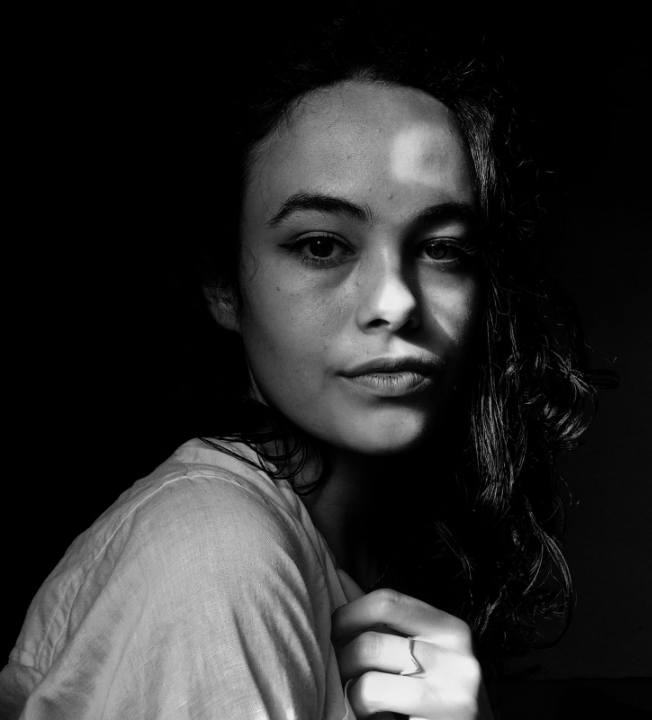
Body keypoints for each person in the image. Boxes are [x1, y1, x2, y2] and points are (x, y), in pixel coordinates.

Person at [0, 8, 606, 719]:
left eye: (442, 248)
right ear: (224, 285)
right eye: (321, 245)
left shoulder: (364, 557)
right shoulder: (215, 551)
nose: (394, 302)